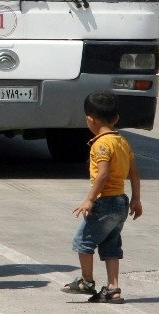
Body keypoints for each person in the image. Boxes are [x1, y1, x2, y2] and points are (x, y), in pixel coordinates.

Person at [62, 92, 142, 304]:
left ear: (90, 119)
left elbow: (103, 173)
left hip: (105, 202)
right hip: (121, 202)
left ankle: (87, 281)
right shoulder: (122, 141)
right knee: (111, 245)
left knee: (82, 242)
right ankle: (113, 289)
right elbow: (134, 172)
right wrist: (136, 199)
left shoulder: (100, 144)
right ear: (115, 118)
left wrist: (89, 198)